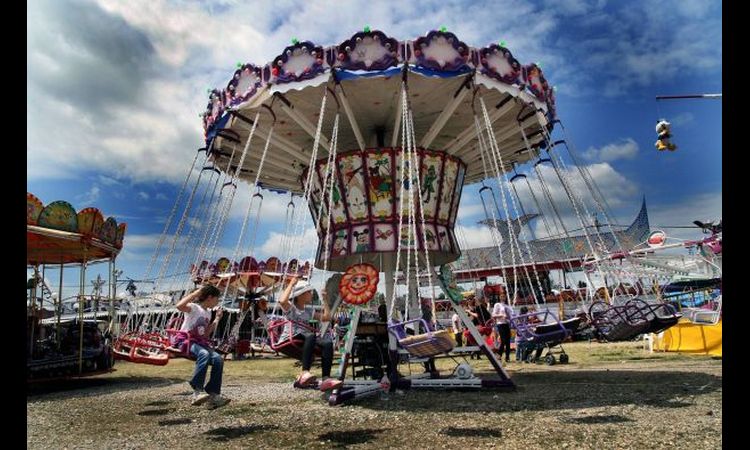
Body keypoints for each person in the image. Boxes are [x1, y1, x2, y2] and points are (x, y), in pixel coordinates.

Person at [278, 275, 341, 391]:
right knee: (310, 335)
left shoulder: (308, 311)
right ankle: (305, 372)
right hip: (291, 337)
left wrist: (325, 300)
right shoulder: (291, 308)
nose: (312, 294)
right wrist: (292, 284)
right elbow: (282, 301)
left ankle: (326, 378)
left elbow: (327, 317)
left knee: (327, 343)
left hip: (305, 339)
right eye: (309, 292)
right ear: (301, 294)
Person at [175, 285, 231, 409]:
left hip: (200, 342)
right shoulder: (194, 308)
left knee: (218, 359)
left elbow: (205, 334)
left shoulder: (208, 312)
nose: (217, 302)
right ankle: (197, 391)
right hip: (186, 341)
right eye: (217, 299)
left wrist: (216, 319)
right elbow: (179, 306)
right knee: (204, 354)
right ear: (210, 298)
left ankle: (213, 394)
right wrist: (196, 293)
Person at [492, 297, 514, 363]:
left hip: (507, 324)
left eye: (504, 295)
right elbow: (493, 315)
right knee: (503, 340)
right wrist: (501, 315)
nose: (503, 297)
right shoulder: (497, 304)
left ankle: (507, 357)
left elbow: (511, 315)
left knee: (508, 341)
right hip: (500, 323)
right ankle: (499, 354)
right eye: (501, 295)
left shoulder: (507, 305)